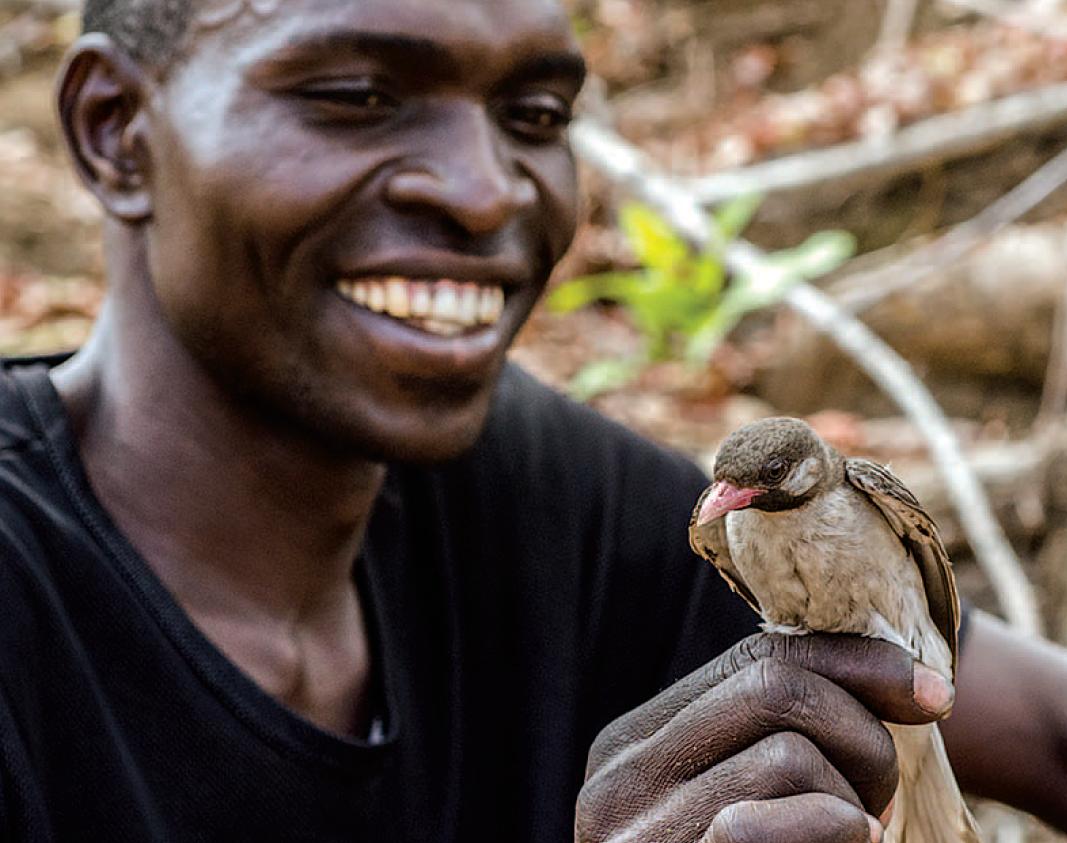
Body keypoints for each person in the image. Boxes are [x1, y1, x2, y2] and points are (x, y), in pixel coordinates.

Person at [0, 0, 1065, 840]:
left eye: (537, 118)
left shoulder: (540, 489)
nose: (483, 191)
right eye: (357, 95)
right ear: (114, 132)